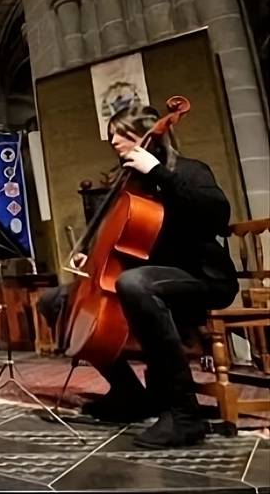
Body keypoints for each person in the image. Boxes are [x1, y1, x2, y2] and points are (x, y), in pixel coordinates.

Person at [38, 104, 238, 448]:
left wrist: (160, 172)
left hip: (202, 278)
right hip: (153, 279)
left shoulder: (187, 171)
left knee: (134, 283)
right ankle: (130, 394)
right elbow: (125, 242)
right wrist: (95, 253)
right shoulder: (131, 185)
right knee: (54, 299)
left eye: (123, 133)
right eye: (112, 134)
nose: (114, 140)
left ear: (150, 138)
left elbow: (217, 216)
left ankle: (184, 414)